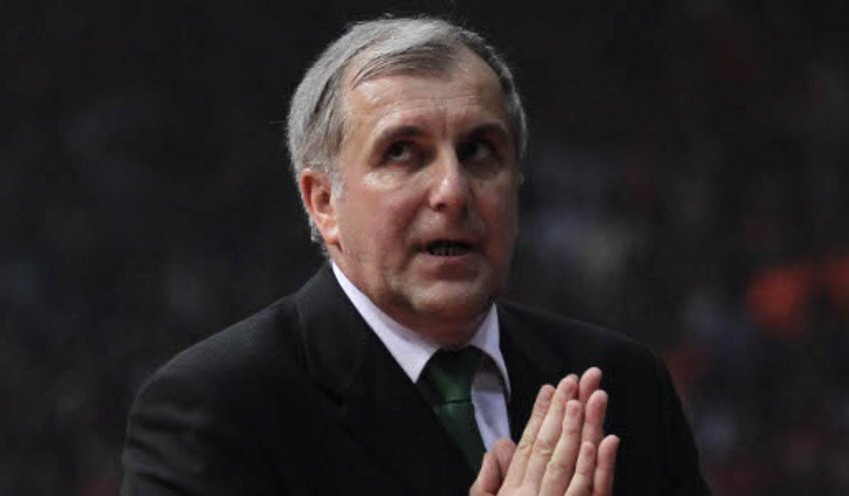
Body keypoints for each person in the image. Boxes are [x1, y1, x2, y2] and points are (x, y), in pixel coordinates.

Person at [121, 16, 709, 496]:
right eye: (403, 153)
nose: (453, 190)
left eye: (479, 151)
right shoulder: (218, 408)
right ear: (324, 203)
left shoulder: (623, 385)